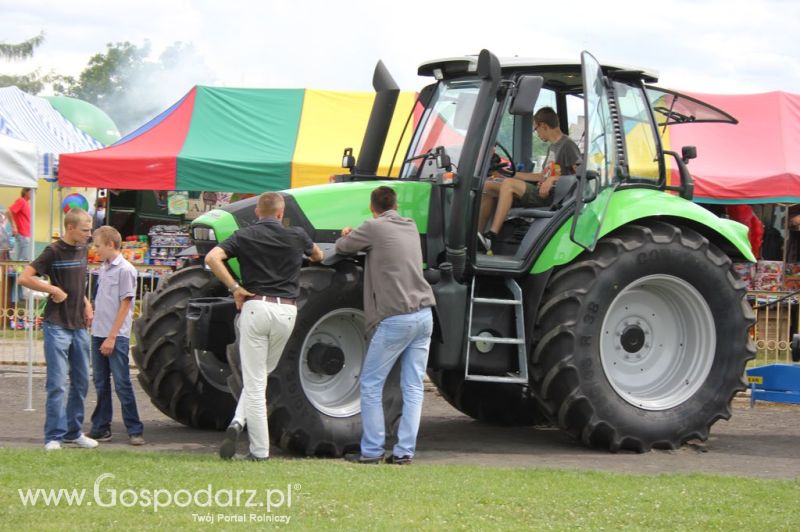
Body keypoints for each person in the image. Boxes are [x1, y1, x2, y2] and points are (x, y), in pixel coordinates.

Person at [205, 192, 323, 461]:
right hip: (287, 311)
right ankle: (238, 420)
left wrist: (234, 287)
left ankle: (258, 451)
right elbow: (317, 255)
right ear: (281, 214)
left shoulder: (244, 235)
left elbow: (213, 258)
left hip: (256, 306)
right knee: (263, 374)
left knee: (255, 381)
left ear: (258, 212)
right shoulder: (297, 235)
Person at [335, 186, 436, 465]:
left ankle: (372, 451)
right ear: (396, 203)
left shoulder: (372, 227)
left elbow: (344, 247)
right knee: (413, 386)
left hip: (396, 318)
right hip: (425, 314)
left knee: (370, 384)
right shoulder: (410, 225)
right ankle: (404, 452)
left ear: (372, 206)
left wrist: (347, 234)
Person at [18, 208, 97, 451]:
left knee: (82, 381)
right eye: (85, 230)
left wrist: (85, 304)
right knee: (57, 383)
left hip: (79, 326)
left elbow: (79, 283)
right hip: (57, 326)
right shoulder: (53, 251)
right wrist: (52, 290)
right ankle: (53, 436)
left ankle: (74, 432)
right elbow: (24, 277)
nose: (89, 234)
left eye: (90, 229)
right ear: (70, 228)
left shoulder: (83, 248)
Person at [477, 107, 581, 252]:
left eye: (536, 129)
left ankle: (492, 236)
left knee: (508, 185)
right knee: (488, 186)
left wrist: (553, 180)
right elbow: (540, 176)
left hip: (550, 197)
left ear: (543, 125)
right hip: (539, 190)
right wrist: (507, 174)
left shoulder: (567, 145)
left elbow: (581, 175)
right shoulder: (552, 147)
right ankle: (479, 237)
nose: (536, 133)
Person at [88, 226, 145, 446]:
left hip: (115, 335)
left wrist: (112, 336)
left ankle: (134, 428)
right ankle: (102, 427)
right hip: (98, 332)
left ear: (111, 245)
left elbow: (125, 304)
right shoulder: (103, 268)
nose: (96, 249)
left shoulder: (125, 270)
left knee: (122, 383)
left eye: (99, 245)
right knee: (101, 382)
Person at [9, 187, 32, 261]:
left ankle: (20, 271)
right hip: (22, 234)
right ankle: (19, 272)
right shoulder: (21, 201)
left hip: (26, 234)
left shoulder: (26, 203)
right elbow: (9, 211)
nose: (34, 193)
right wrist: (13, 226)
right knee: (21, 259)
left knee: (24, 259)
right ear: (26, 192)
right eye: (32, 191)